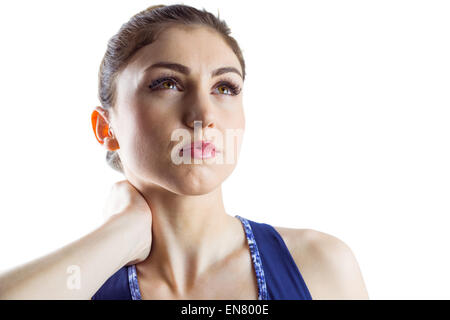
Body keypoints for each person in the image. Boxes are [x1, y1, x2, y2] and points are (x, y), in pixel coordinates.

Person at [0, 4, 369, 300]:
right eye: (168, 83)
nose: (203, 115)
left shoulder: (319, 266)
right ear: (106, 128)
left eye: (225, 87)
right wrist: (120, 234)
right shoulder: (80, 283)